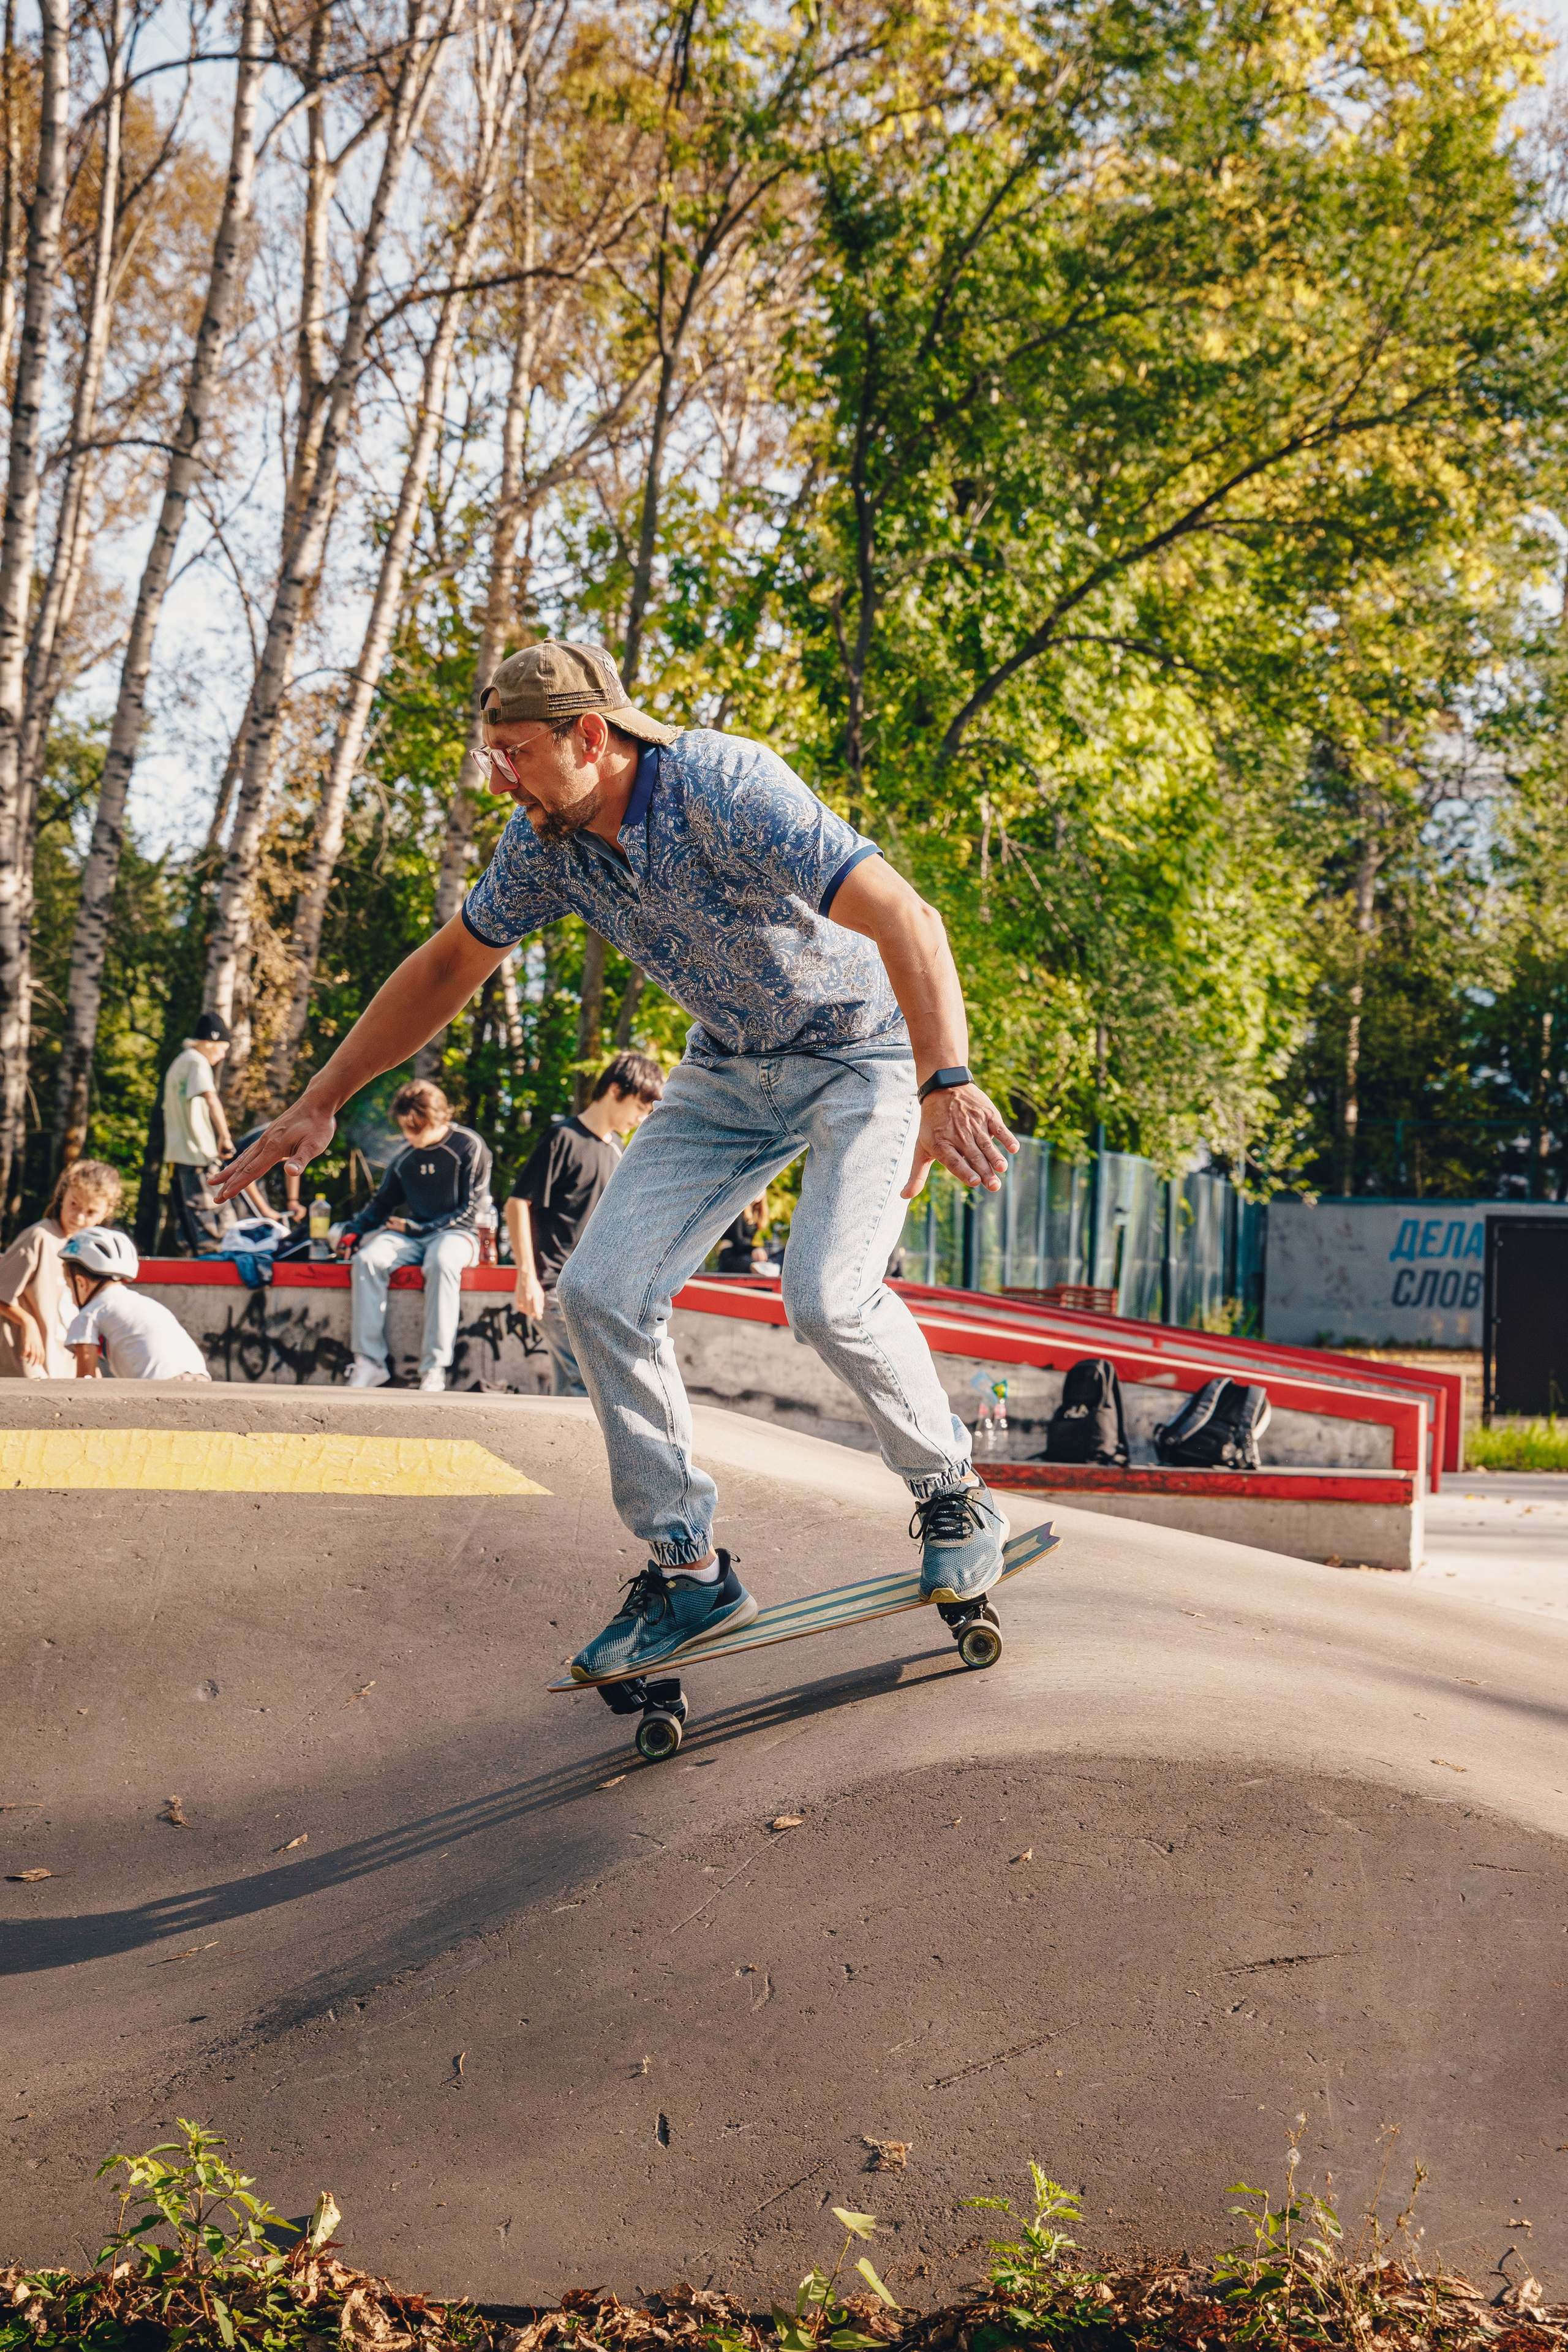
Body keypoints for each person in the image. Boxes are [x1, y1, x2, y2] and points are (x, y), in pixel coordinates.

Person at [216, 638, 1017, 1687]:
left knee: (826, 1295)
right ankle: (690, 1572)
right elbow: (449, 964)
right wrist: (321, 1100)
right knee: (593, 1297)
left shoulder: (728, 786)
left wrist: (943, 1077)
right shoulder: (541, 844)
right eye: (491, 755)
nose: (499, 778)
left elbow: (909, 916)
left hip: (861, 1053)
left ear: (589, 736)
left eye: (514, 754)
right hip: (727, 1074)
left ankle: (952, 1491)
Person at [506, 1050, 665, 1395]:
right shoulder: (563, 1138)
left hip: (591, 1288)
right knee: (591, 1383)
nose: (641, 1119)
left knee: (572, 1385)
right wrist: (526, 1277)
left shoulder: (617, 1150)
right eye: (640, 1107)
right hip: (555, 1285)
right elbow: (518, 1204)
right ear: (615, 1090)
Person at [337, 1079, 492, 1393]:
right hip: (413, 1236)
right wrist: (352, 1233)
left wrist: (417, 1229)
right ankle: (369, 1363)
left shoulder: (469, 1146)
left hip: (458, 1235)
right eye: (405, 1128)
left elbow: (470, 1210)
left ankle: (434, 1368)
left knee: (442, 1262)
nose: (410, 1136)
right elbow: (381, 1205)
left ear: (438, 1119)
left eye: (416, 1128)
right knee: (368, 1259)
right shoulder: (404, 1157)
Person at [0, 1158, 123, 1379]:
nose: (79, 1217)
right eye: (74, 1204)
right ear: (62, 1196)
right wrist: (27, 1322)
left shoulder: (90, 1250)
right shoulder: (39, 1237)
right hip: (27, 1364)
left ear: (105, 1213)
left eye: (91, 1212)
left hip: (61, 1365)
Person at [61, 1227, 210, 1380]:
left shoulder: (90, 1314)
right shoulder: (146, 1304)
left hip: (162, 1386)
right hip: (200, 1379)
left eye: (69, 1286)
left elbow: (87, 1379)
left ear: (80, 1283)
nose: (70, 1296)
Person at [162, 1012, 241, 1254]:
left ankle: (195, 1265)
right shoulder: (197, 1062)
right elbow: (212, 1099)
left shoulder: (180, 1062)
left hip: (178, 1153)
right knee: (211, 1219)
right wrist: (225, 1138)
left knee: (189, 1223)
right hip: (197, 1154)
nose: (223, 1055)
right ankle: (217, 1268)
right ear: (210, 1042)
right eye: (222, 1048)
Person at [714, 1189, 778, 1275]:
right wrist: (754, 1249)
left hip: (744, 1252)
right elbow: (738, 1240)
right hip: (732, 1253)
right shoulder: (739, 1210)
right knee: (753, 1267)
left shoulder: (756, 1213)